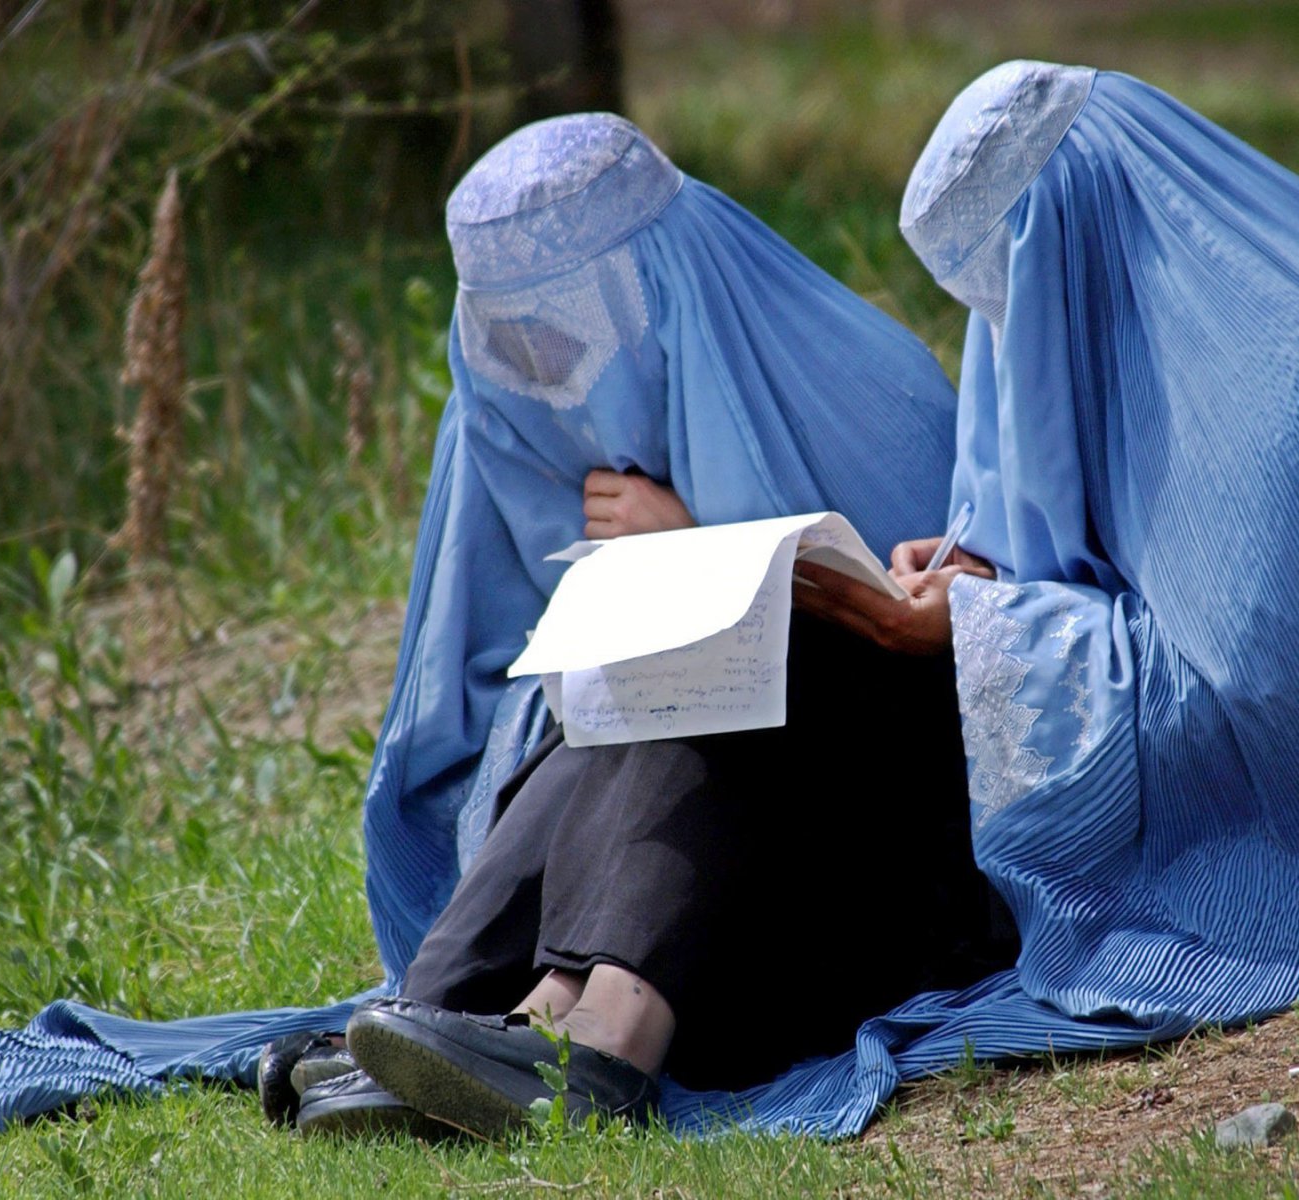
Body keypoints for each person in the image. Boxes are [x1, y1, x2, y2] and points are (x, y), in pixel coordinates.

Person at [739, 59, 1299, 1135]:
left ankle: (656, 1015)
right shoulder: (1263, 288)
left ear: (1066, 232)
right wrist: (988, 565)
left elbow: (1275, 712)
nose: (1006, 339)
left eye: (1012, 297)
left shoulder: (1287, 377)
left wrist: (981, 628)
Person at [292, 111, 1017, 1137]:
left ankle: (600, 1049)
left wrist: (697, 550)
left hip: (873, 893)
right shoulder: (517, 443)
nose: (552, 382)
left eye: (573, 336)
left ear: (661, 291)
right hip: (702, 940)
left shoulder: (869, 384)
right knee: (609, 687)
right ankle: (457, 1017)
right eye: (517, 349)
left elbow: (969, 681)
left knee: (735, 643)